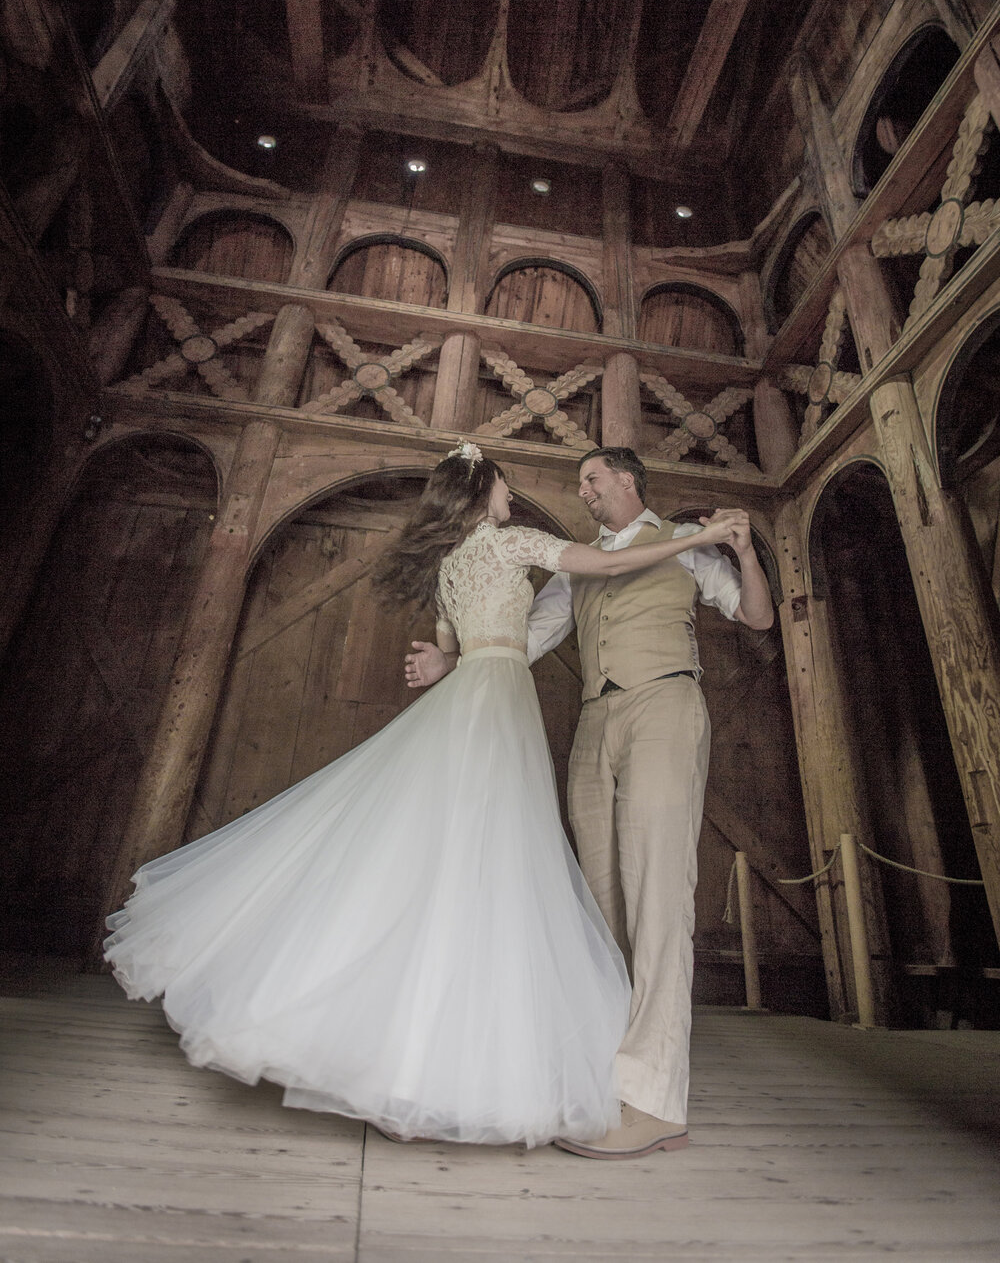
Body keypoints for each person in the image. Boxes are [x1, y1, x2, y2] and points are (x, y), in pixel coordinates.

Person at [104, 443, 742, 1149]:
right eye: (504, 483)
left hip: (472, 699)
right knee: (495, 864)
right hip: (497, 703)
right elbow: (610, 566)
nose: (512, 491)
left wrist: (444, 660)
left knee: (443, 857)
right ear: (483, 494)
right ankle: (487, 1060)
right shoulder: (512, 542)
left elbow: (454, 645)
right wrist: (708, 534)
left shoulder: (446, 569)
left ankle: (426, 1050)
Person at [406, 446, 773, 1158]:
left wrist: (746, 553)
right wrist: (452, 661)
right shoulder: (575, 562)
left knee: (659, 895)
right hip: (594, 721)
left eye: (592, 480)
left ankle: (656, 1101)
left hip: (665, 701)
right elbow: (523, 637)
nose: (583, 491)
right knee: (602, 903)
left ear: (628, 479)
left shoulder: (679, 544)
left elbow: (754, 616)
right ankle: (604, 1082)